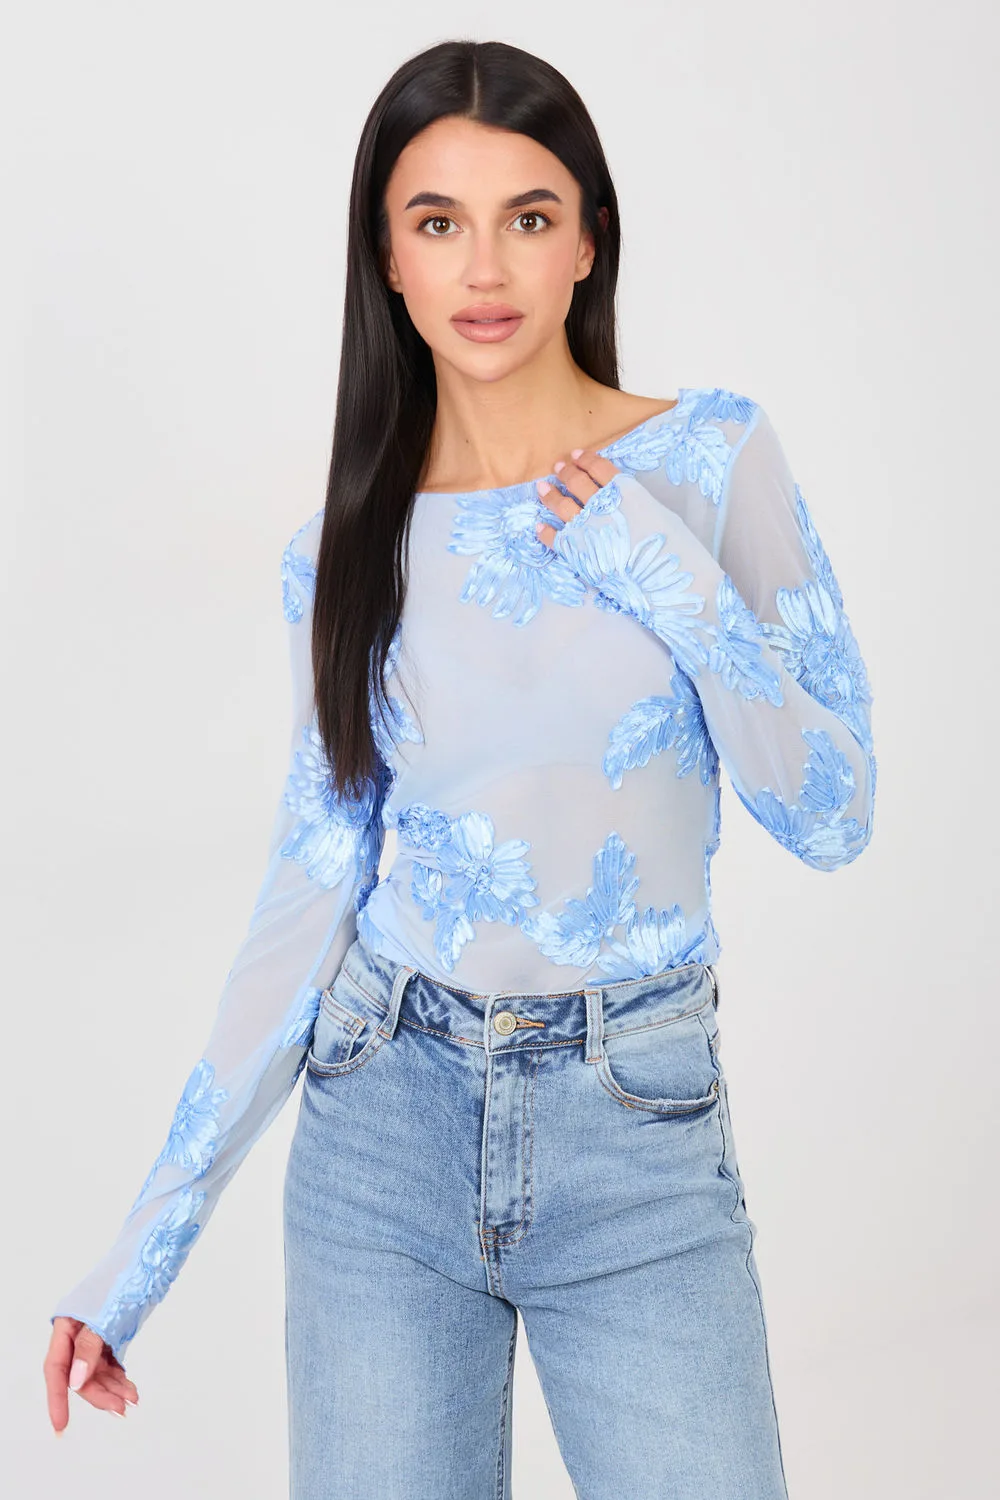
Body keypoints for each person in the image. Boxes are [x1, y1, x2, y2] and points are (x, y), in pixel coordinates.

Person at [44, 37, 876, 1499]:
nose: (484, 267)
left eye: (527, 217)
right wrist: (140, 1252)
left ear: (587, 242)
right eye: (439, 222)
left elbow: (834, 812)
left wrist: (667, 576)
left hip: (640, 1135)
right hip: (382, 1136)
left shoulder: (708, 462)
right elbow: (309, 894)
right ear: (389, 258)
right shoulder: (346, 551)